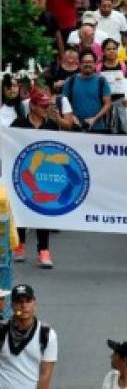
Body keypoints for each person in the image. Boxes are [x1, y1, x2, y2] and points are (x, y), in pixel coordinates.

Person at [10, 89, 57, 268]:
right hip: (23, 174)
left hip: (45, 175)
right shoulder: (19, 124)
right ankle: (19, 245)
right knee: (21, 209)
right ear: (32, 106)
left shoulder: (52, 125)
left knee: (42, 211)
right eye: (42, 105)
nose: (46, 108)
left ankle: (43, 250)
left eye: (47, 105)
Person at [0, 284, 57, 389]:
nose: (24, 306)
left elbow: (45, 374)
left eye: (28, 301)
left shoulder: (47, 334)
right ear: (12, 306)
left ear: (35, 304)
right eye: (19, 302)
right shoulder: (2, 329)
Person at [62, 49, 112, 132]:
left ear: (95, 64)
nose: (88, 64)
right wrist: (72, 117)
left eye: (90, 62)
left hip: (98, 128)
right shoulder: (70, 81)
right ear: (79, 64)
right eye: (85, 62)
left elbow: (108, 104)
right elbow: (63, 103)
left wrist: (94, 119)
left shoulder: (101, 81)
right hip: (75, 127)